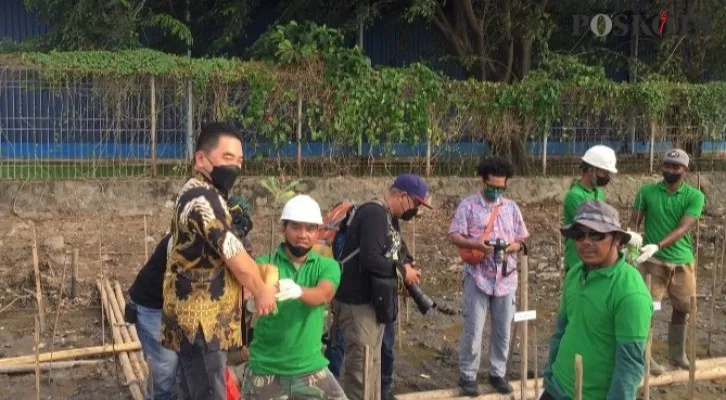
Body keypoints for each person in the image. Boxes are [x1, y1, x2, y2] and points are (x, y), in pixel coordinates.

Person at [161, 122, 277, 400]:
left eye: (239, 161)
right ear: (201, 159)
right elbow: (234, 254)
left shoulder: (203, 194)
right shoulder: (203, 200)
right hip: (202, 325)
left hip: (195, 323)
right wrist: (261, 290)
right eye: (227, 159)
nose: (235, 167)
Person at [126, 197, 254, 400]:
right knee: (166, 368)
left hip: (186, 306)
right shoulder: (184, 242)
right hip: (155, 305)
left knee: (187, 367)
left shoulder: (236, 242)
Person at [541, 200, 653, 400]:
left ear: (617, 239)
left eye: (596, 234)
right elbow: (561, 330)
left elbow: (629, 368)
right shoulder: (575, 274)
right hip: (556, 388)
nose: (586, 242)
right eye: (579, 234)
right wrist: (549, 373)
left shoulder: (630, 292)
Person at [334, 173, 430, 400]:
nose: (415, 210)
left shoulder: (388, 218)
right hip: (359, 306)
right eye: (415, 203)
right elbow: (370, 258)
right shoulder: (374, 213)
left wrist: (407, 262)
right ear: (402, 196)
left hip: (373, 306)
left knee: (372, 368)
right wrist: (402, 271)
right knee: (360, 373)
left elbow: (393, 251)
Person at [243, 194, 346, 399]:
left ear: (318, 232)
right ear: (283, 228)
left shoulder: (327, 265)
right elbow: (247, 292)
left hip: (310, 367)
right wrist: (251, 300)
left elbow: (324, 293)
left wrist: (298, 290)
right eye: (296, 227)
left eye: (309, 229)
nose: (303, 234)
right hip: (266, 369)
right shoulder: (265, 264)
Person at [447, 157, 530, 396]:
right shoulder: (468, 206)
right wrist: (476, 243)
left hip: (506, 278)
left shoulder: (511, 208)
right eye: (492, 187)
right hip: (478, 276)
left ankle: (497, 372)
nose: (496, 192)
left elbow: (522, 240)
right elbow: (453, 235)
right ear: (483, 182)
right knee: (474, 329)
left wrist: (507, 248)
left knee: (503, 329)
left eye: (501, 188)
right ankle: (468, 375)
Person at [628, 148, 705, 376]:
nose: (670, 170)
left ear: (685, 170)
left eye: (676, 167)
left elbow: (684, 227)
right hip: (653, 262)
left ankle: (677, 354)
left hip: (682, 261)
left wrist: (658, 244)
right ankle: (646, 357)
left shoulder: (694, 196)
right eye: (667, 166)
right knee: (647, 309)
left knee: (683, 308)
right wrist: (631, 241)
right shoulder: (647, 192)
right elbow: (634, 221)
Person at [562, 145, 618, 273]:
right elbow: (594, 226)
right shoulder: (575, 196)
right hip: (579, 259)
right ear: (591, 170)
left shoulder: (598, 192)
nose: (606, 176)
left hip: (596, 255)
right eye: (604, 172)